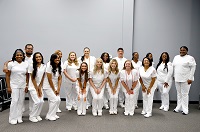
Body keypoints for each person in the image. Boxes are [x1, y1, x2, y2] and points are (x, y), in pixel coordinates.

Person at [3, 44, 34, 113]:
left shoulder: (33, 58)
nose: (30, 50)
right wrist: (5, 65)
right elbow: (9, 62)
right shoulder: (20, 56)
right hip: (17, 83)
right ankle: (19, 113)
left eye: (31, 49)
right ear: (25, 49)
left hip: (30, 81)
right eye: (28, 48)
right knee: (17, 100)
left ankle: (32, 113)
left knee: (31, 98)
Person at [6, 49, 29, 125]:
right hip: (14, 85)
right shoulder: (11, 64)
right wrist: (8, 87)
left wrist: (27, 85)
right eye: (17, 55)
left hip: (22, 85)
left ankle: (19, 117)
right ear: (15, 56)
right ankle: (12, 118)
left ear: (23, 56)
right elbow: (8, 75)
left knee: (21, 101)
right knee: (14, 101)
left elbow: (27, 76)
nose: (19, 56)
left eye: (20, 55)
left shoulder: (26, 64)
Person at [172, 46, 196, 115]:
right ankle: (178, 107)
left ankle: (185, 109)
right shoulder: (176, 57)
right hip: (177, 78)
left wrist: (190, 78)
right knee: (179, 94)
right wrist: (174, 76)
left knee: (184, 94)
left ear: (186, 51)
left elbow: (193, 68)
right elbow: (174, 67)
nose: (182, 51)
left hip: (186, 79)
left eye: (184, 50)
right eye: (181, 50)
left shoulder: (190, 58)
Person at [43, 54, 62, 121]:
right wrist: (54, 90)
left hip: (55, 86)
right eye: (56, 58)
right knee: (54, 100)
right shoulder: (49, 66)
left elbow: (60, 78)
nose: (58, 59)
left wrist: (58, 88)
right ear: (52, 59)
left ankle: (53, 114)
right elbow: (49, 79)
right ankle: (49, 115)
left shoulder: (59, 66)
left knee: (58, 100)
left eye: (59, 58)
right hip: (48, 86)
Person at [28, 52, 45, 122]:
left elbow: (43, 77)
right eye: (37, 57)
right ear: (34, 58)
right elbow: (32, 78)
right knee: (37, 102)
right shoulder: (31, 65)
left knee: (42, 101)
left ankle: (37, 115)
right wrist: (37, 89)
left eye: (39, 57)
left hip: (40, 86)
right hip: (32, 86)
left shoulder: (44, 66)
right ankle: (32, 116)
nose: (38, 58)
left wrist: (40, 87)